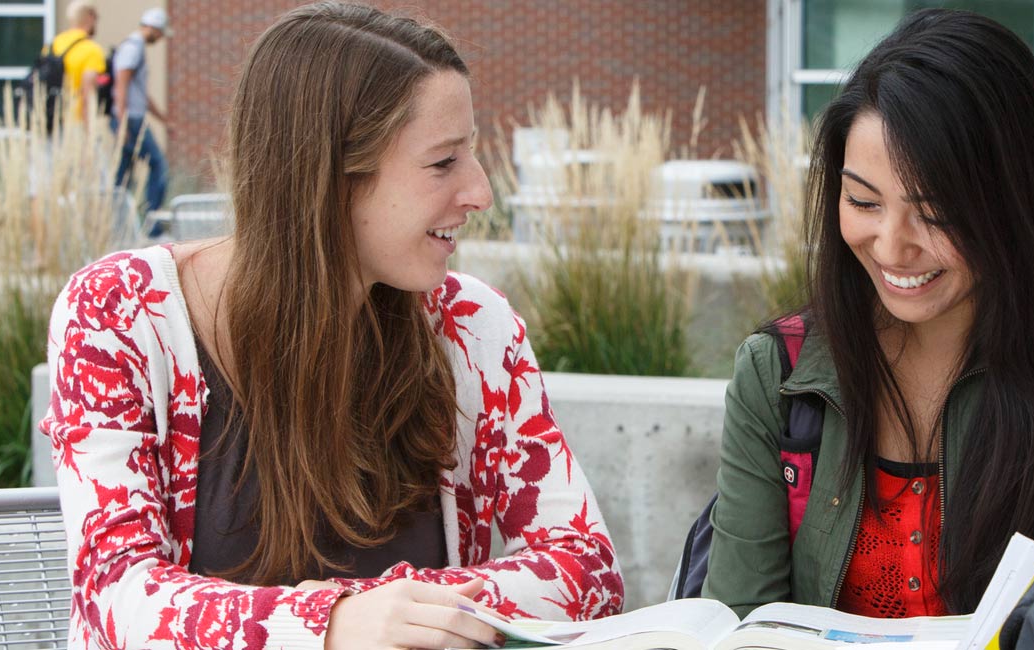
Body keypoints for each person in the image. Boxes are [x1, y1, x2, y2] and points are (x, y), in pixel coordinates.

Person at [39, 3, 624, 648]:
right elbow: (112, 595)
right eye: (442, 162)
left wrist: (395, 613)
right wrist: (332, 626)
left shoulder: (470, 323)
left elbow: (586, 565)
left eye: (472, 155)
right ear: (327, 176)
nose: (481, 192)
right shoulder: (119, 315)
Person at [703, 9, 1034, 619]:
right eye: (863, 201)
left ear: (1015, 203)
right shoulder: (777, 373)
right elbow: (737, 621)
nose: (893, 246)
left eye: (937, 212)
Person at [111, 7, 171, 213]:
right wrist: (122, 122)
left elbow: (141, 95)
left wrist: (163, 119)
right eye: (161, 32)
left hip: (131, 118)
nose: (161, 38)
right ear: (154, 28)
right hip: (131, 120)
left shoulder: (136, 48)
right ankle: (152, 222)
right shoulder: (133, 48)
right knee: (158, 165)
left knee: (123, 175)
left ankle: (119, 223)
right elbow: (121, 86)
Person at [48, 0, 107, 125]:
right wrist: (89, 131)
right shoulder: (91, 50)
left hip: (50, 119)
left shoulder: (53, 45)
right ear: (90, 17)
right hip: (75, 122)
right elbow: (88, 94)